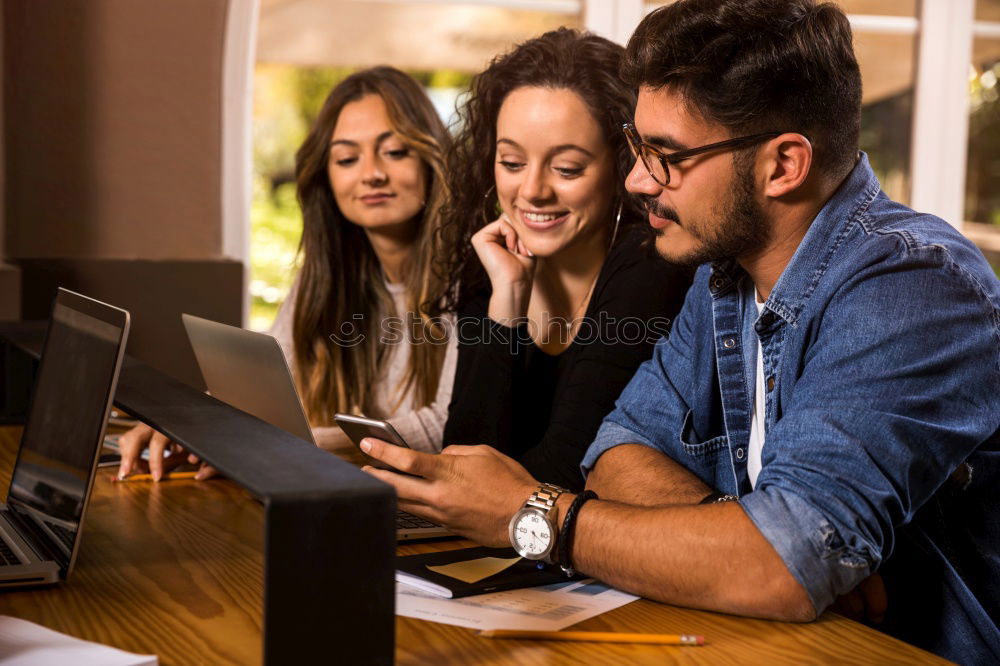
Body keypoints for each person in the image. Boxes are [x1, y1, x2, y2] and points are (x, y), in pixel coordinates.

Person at [360, 2, 1000, 663]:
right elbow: (615, 454)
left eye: (666, 155)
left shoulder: (915, 287)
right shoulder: (721, 277)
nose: (639, 181)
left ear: (783, 165)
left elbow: (779, 567)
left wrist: (539, 516)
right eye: (639, 147)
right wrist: (749, 544)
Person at [118, 66, 457, 480]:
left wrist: (289, 443)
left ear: (431, 158)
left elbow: (446, 424)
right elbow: (262, 386)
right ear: (326, 178)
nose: (371, 174)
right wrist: (189, 426)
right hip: (356, 492)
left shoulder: (472, 276)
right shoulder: (327, 276)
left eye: (395, 151)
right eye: (348, 158)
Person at [433, 28, 691, 490]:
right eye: (511, 163)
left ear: (622, 167)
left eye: (566, 168)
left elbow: (567, 473)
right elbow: (463, 462)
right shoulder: (492, 262)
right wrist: (508, 296)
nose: (532, 190)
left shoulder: (650, 266)